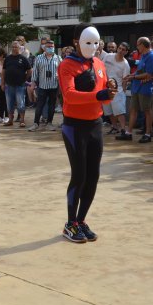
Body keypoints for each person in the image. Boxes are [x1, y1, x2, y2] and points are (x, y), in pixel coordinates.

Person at [57, 25, 115, 243]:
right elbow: (70, 96)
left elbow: (105, 98)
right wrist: (98, 94)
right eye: (88, 42)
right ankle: (70, 223)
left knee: (93, 176)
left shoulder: (99, 64)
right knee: (79, 175)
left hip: (95, 125)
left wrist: (109, 92)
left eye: (96, 42)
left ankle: (81, 221)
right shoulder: (67, 65)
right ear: (76, 42)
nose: (93, 47)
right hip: (74, 127)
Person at [117, 37, 153, 142]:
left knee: (147, 111)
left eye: (138, 44)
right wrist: (132, 75)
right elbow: (140, 71)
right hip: (137, 87)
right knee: (133, 110)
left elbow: (149, 74)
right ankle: (128, 133)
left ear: (143, 45)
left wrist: (133, 77)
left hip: (145, 88)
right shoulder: (143, 56)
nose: (137, 47)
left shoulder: (152, 56)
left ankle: (148, 134)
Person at [29, 38, 60, 132]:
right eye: (48, 47)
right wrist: (33, 84)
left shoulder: (58, 58)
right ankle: (35, 123)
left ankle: (49, 123)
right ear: (44, 48)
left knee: (51, 106)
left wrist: (59, 76)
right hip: (43, 86)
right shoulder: (39, 58)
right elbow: (35, 72)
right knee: (40, 105)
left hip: (54, 86)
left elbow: (62, 71)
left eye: (52, 46)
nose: (50, 48)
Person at [1, 41, 31, 127]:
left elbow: (29, 70)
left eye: (16, 47)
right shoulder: (8, 58)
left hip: (20, 85)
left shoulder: (23, 58)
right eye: (13, 47)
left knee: (20, 104)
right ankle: (10, 120)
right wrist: (2, 83)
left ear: (19, 48)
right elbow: (3, 72)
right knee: (9, 104)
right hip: (9, 85)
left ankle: (22, 120)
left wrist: (24, 79)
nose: (14, 48)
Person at [103, 42, 131, 135]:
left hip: (117, 90)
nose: (120, 51)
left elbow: (125, 80)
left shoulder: (125, 64)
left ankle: (123, 129)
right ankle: (115, 127)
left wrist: (122, 91)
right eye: (120, 48)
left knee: (119, 111)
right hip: (105, 88)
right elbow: (101, 68)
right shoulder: (108, 56)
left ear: (126, 52)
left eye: (123, 49)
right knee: (108, 111)